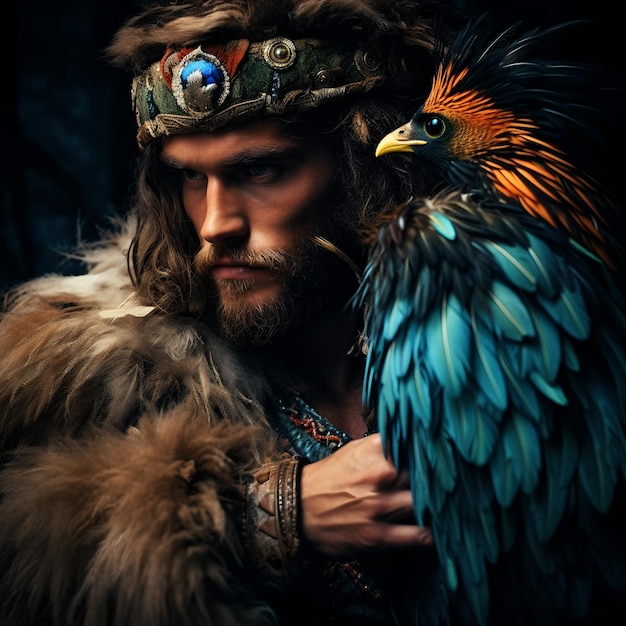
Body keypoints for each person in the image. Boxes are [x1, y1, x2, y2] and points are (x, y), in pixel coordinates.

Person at [0, 1, 456, 624]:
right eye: (190, 178)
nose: (216, 225)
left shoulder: (501, 338)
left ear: (363, 167)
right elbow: (27, 558)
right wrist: (269, 517)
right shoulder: (96, 378)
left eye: (261, 169)